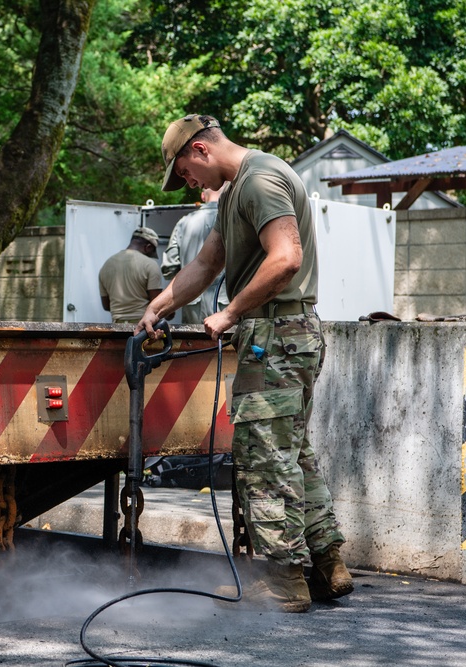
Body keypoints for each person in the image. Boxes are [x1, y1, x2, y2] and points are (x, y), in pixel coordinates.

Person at [135, 114, 352, 613]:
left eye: (185, 171)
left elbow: (286, 257)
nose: (188, 183)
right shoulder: (236, 192)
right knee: (292, 453)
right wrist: (158, 307)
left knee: (264, 461)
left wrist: (231, 312)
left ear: (201, 149)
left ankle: (283, 582)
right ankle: (326, 565)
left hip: (275, 336)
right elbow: (207, 264)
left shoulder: (259, 179)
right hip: (283, 335)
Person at [161, 185, 229, 324]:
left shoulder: (184, 222)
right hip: (227, 301)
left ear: (203, 197)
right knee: (229, 344)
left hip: (192, 302)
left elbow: (169, 267)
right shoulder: (233, 219)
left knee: (195, 344)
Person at [98, 227, 163, 323]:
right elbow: (158, 305)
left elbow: (106, 305)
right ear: (148, 247)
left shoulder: (106, 265)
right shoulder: (150, 265)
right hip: (143, 326)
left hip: (116, 326)